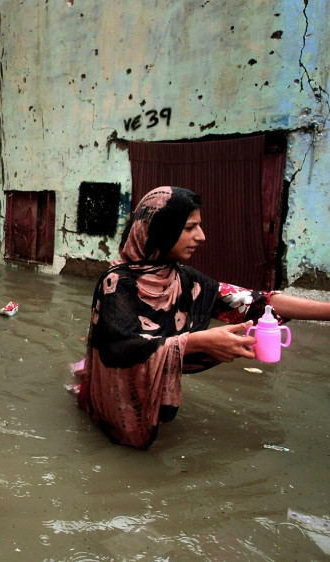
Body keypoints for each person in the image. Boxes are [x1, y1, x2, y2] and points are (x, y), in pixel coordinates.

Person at [74, 186, 330, 449]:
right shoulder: (117, 283)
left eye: (199, 226)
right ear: (160, 229)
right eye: (189, 228)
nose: (201, 236)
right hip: (113, 397)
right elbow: (120, 348)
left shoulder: (185, 279)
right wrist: (199, 342)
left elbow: (258, 301)